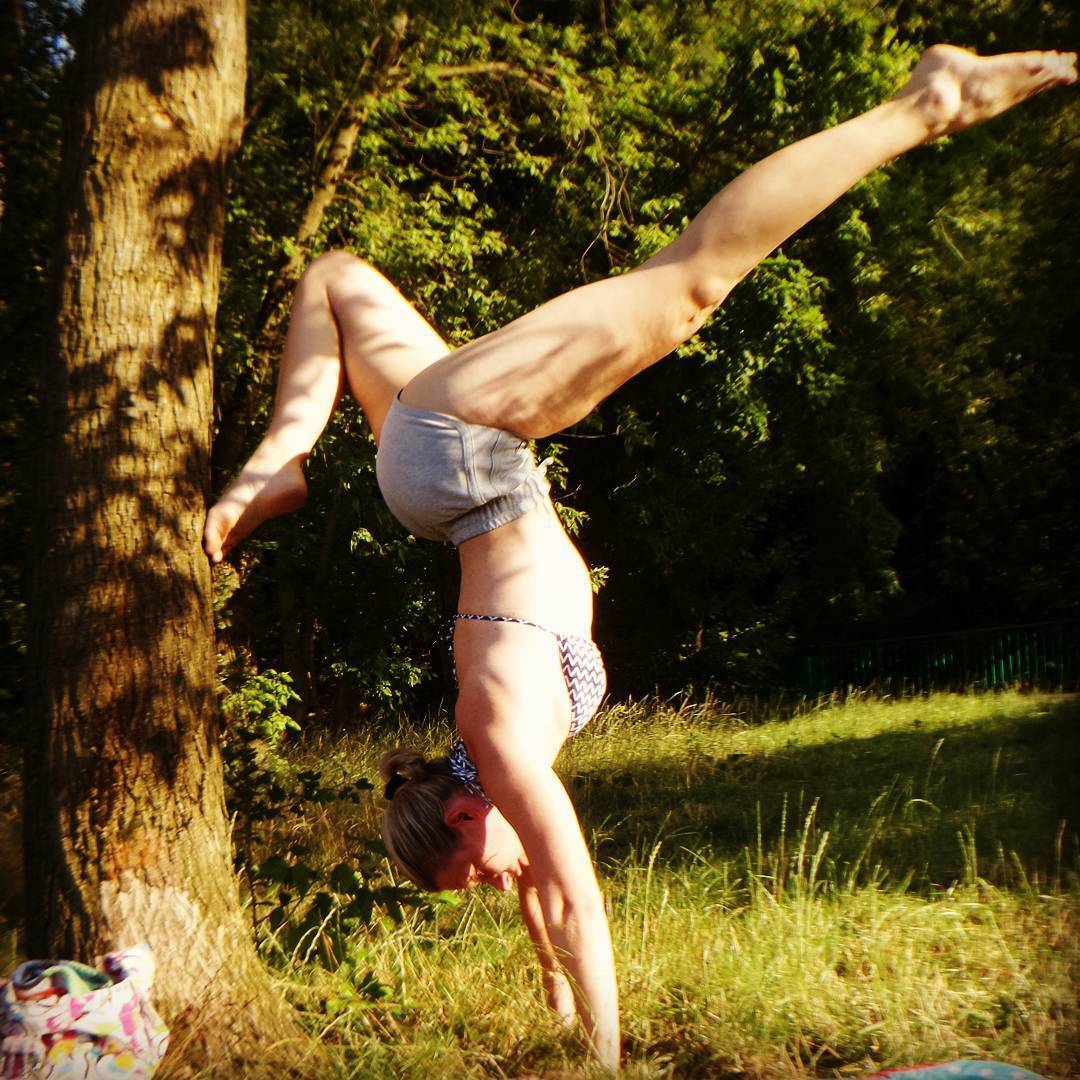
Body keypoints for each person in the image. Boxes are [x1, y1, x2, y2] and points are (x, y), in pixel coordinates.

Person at [203, 46, 1077, 1069]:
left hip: (460, 453)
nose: (495, 887)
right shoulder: (491, 761)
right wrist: (554, 997)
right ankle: (282, 460)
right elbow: (539, 892)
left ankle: (929, 100)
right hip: (441, 466)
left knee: (690, 283)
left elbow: (571, 893)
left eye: (472, 873)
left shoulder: (493, 737)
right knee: (337, 278)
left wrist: (605, 1060)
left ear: (465, 812)